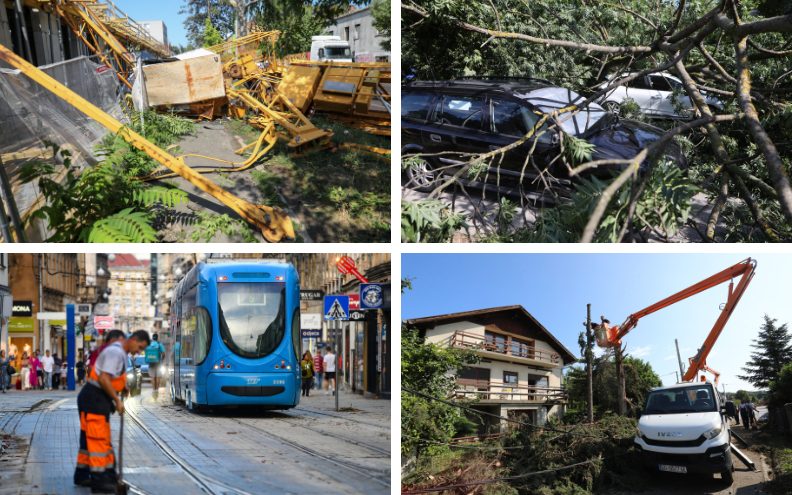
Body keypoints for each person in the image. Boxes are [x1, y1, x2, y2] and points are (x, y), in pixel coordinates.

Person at [73, 329, 150, 493]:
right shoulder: (116, 352)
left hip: (95, 399)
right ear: (134, 339)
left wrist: (123, 386)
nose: (139, 351)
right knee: (98, 439)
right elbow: (103, 378)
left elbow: (111, 377)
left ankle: (82, 474)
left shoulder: (119, 352)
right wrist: (117, 400)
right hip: (95, 398)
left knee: (89, 440)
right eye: (140, 347)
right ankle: (100, 480)